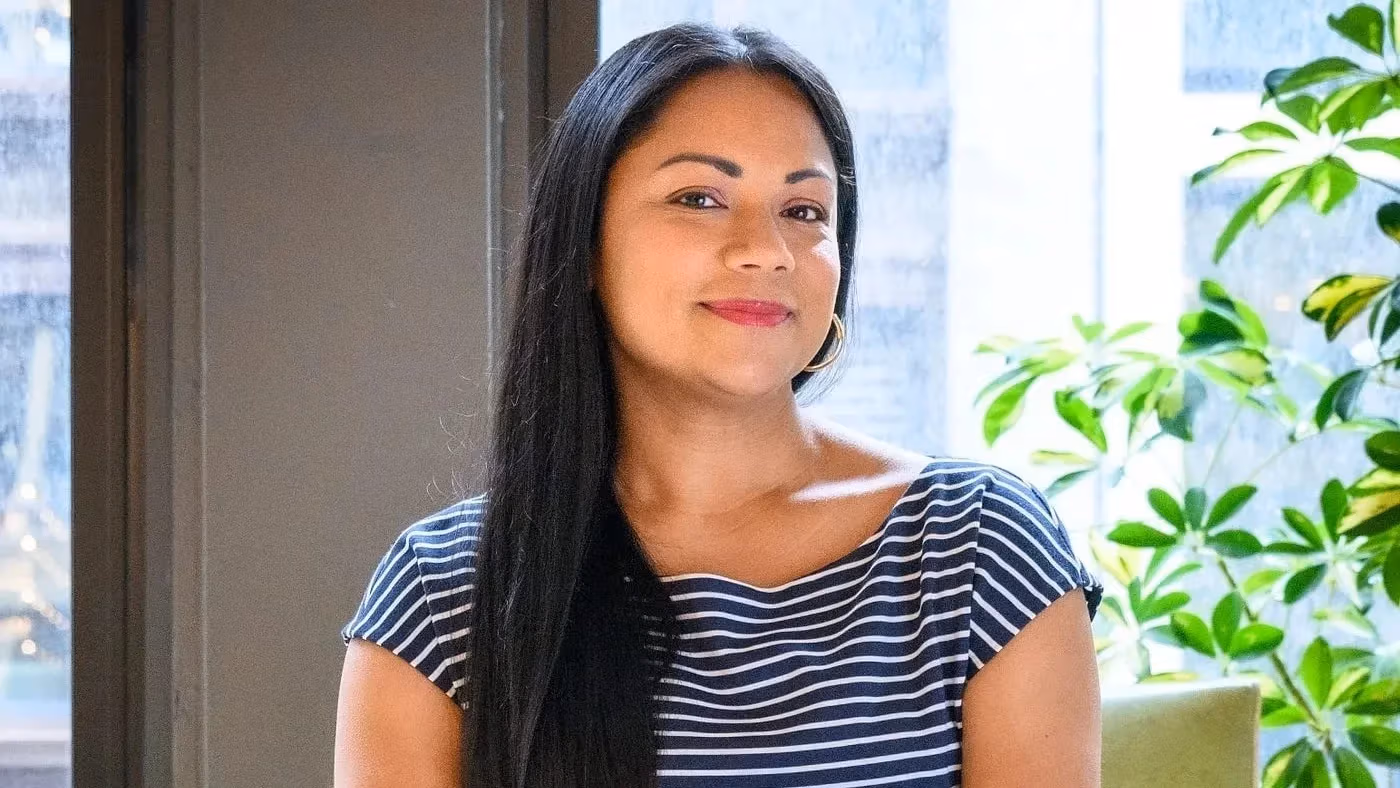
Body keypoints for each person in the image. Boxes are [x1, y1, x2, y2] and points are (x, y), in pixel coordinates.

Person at [333, 20, 1103, 788]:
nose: (766, 248)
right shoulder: (445, 593)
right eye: (700, 198)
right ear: (584, 244)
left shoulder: (977, 551)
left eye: (805, 211)